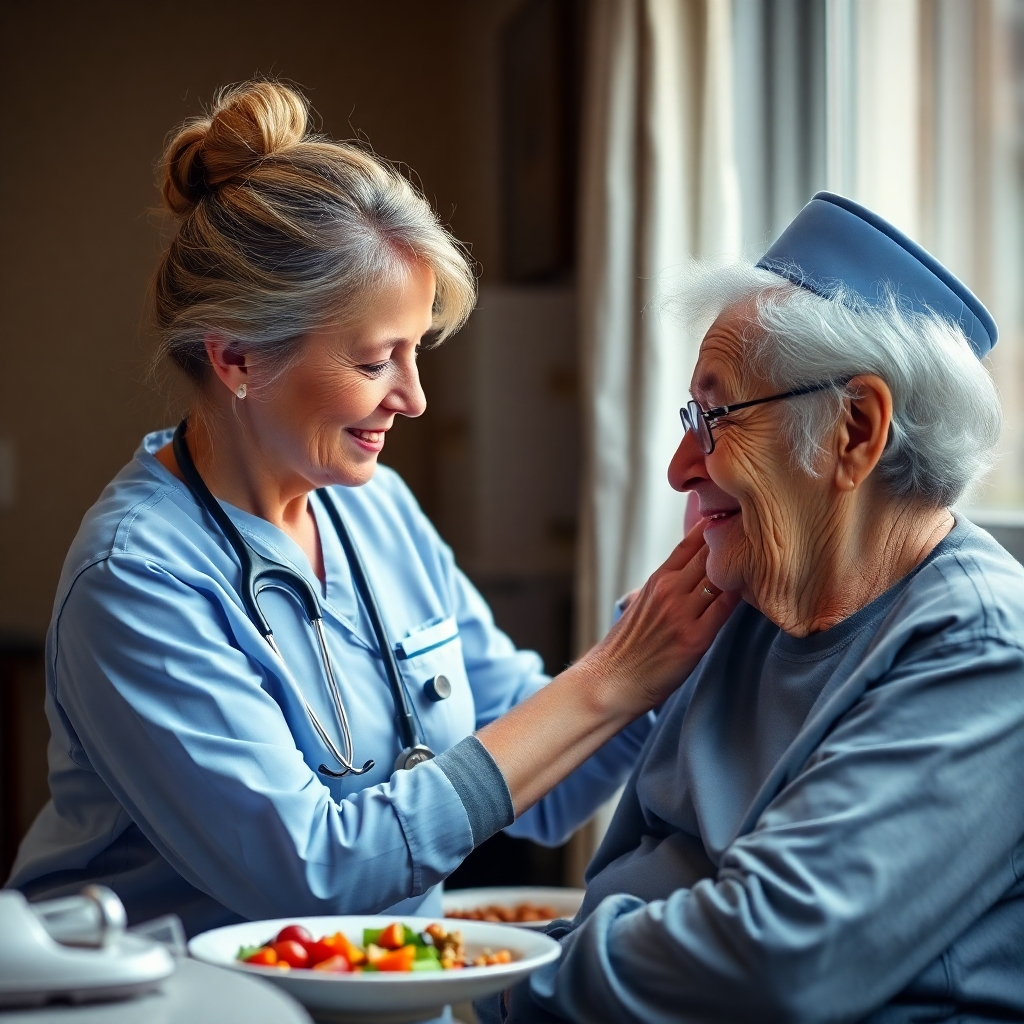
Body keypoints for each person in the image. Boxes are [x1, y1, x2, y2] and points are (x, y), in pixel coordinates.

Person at [6, 81, 738, 936]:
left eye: (416, 352)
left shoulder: (375, 511)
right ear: (238, 357)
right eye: (375, 361)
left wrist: (673, 633)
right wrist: (612, 678)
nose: (415, 398)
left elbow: (541, 786)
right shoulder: (134, 579)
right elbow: (313, 874)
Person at [482, 193, 1024, 1023]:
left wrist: (496, 990)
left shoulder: (980, 652)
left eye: (715, 416)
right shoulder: (745, 601)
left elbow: (772, 957)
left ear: (854, 430)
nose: (677, 468)